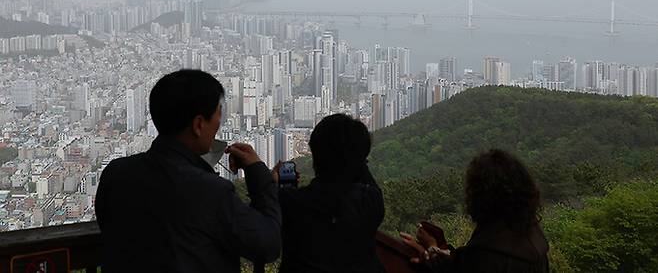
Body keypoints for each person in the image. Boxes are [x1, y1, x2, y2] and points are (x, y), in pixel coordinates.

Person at [95, 70, 281, 272]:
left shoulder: (115, 174)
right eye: (218, 115)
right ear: (199, 125)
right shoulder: (210, 192)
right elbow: (267, 245)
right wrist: (259, 174)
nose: (219, 125)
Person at [401, 149, 549, 273]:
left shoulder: (489, 254)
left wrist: (427, 258)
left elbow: (473, 263)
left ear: (482, 197)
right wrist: (435, 247)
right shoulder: (531, 236)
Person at [275, 114, 385, 273]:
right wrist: (356, 155)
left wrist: (273, 184)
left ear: (315, 155)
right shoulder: (370, 202)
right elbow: (362, 172)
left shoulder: (289, 203)